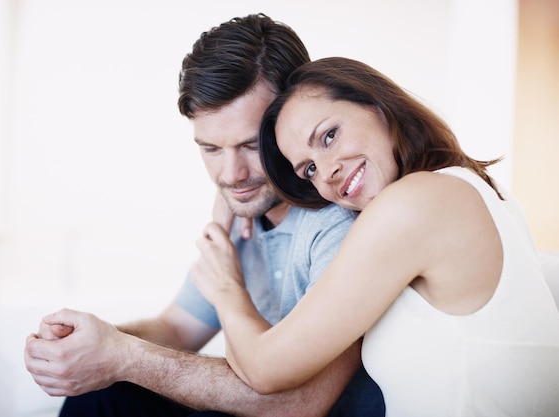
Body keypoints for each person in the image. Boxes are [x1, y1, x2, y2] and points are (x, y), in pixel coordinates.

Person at [24, 16, 385, 417]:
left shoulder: (338, 222)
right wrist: (96, 343)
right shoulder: (240, 214)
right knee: (100, 394)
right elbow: (178, 330)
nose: (231, 176)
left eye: (250, 145)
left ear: (290, 115)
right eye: (211, 149)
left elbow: (300, 403)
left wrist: (123, 355)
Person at [191, 57, 559, 416]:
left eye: (329, 136)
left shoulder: (413, 204)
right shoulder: (473, 188)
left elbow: (264, 370)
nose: (328, 172)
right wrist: (236, 189)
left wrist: (226, 288)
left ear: (378, 105)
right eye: (309, 169)